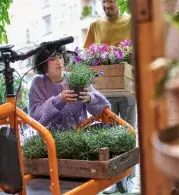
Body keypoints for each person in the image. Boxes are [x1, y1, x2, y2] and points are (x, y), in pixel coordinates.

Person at [83, 0, 139, 194]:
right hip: (105, 92)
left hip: (128, 87)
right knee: (108, 135)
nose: (107, 5)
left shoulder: (130, 21)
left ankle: (129, 178)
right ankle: (114, 180)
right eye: (104, 1)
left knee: (129, 132)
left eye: (111, 1)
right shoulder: (95, 26)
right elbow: (88, 53)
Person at [28, 46, 110, 131]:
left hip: (79, 136)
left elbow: (104, 107)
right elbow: (35, 117)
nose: (59, 62)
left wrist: (89, 98)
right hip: (50, 140)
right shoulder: (38, 82)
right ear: (43, 64)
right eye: (52, 59)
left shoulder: (76, 78)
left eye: (60, 57)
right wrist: (59, 100)